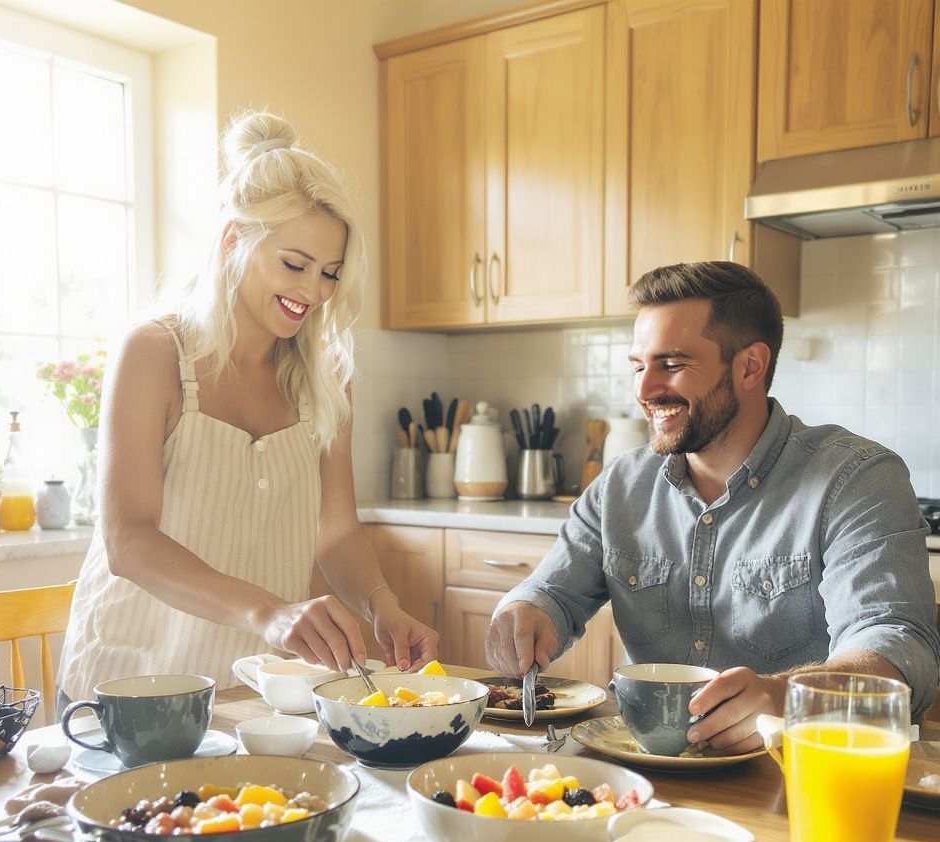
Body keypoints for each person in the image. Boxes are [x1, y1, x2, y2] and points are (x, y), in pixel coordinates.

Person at [58, 110, 437, 704]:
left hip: (254, 695)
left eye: (330, 274)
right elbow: (128, 541)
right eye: (294, 265)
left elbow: (336, 534)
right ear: (234, 240)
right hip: (132, 685)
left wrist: (382, 607)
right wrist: (269, 613)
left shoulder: (327, 374)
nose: (313, 293)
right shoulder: (154, 353)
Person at [486, 261, 940, 752]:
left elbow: (897, 649)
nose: (644, 390)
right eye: (639, 366)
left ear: (750, 365)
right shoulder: (619, 484)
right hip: (637, 761)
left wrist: (781, 696)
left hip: (792, 771)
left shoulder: (857, 478)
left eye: (673, 364)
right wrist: (524, 611)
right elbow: (552, 591)